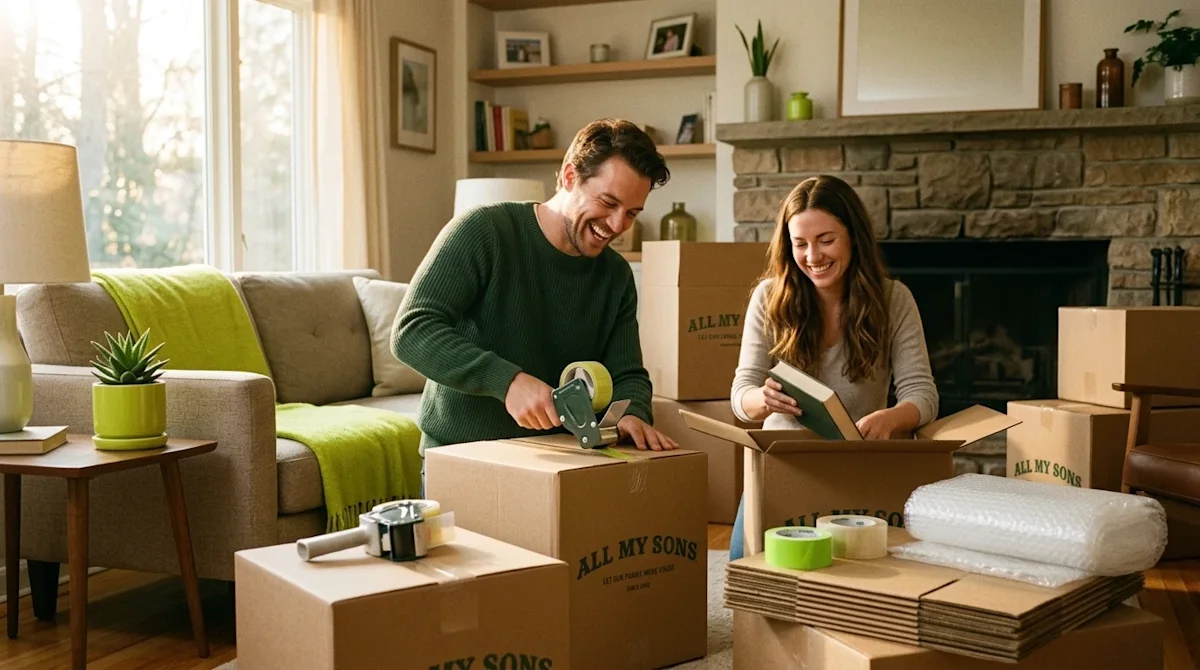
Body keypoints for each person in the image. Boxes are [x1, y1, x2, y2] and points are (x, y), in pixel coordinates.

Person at [392, 119, 680, 487]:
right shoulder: (484, 231)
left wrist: (630, 413)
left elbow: (626, 373)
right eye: (608, 203)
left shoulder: (616, 275)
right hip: (463, 457)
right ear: (570, 176)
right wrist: (507, 381)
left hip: (560, 465)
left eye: (632, 213)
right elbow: (411, 330)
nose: (618, 224)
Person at [727, 175, 939, 560]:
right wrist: (763, 399)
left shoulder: (894, 299)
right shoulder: (768, 298)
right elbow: (741, 397)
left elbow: (923, 395)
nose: (813, 256)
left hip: (857, 463)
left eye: (826, 240)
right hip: (782, 462)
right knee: (744, 567)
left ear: (853, 236)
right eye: (800, 244)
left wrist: (892, 418)